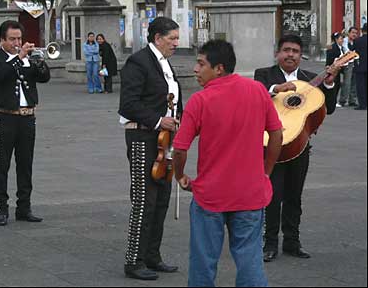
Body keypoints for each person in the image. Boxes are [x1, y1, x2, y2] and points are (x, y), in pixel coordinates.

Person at [172, 39, 283, 287]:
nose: (195, 69)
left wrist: (180, 175)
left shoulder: (200, 101)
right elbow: (277, 134)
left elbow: (179, 148)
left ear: (219, 68)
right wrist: (266, 171)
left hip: (210, 195)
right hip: (250, 193)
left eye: (201, 64)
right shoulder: (257, 90)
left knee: (203, 261)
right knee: (250, 259)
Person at [254, 34, 341, 262]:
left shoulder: (310, 79)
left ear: (301, 56)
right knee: (271, 196)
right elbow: (254, 98)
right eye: (286, 50)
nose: (290, 54)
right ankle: (269, 243)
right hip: (270, 147)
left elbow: (328, 108)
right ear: (277, 54)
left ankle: (292, 241)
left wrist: (330, 82)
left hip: (299, 146)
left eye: (294, 51)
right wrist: (277, 88)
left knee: (294, 196)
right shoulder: (264, 75)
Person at [119, 17, 182, 281]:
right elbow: (128, 104)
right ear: (157, 38)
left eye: (177, 39)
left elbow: (174, 100)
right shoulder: (139, 62)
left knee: (162, 199)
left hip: (165, 141)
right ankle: (134, 259)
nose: (177, 44)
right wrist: (159, 120)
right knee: (145, 200)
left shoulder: (165, 63)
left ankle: (152, 255)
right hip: (143, 138)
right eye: (172, 39)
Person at [0, 20, 50, 226]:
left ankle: (24, 207)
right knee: (2, 165)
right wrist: (18, 58)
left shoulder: (28, 59)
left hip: (28, 117)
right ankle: (2, 209)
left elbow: (45, 78)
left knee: (25, 164)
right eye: (12, 39)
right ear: (2, 39)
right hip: (5, 117)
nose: (17, 42)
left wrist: (37, 61)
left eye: (19, 38)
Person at [340, 27, 359, 107]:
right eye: (353, 32)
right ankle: (343, 100)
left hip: (355, 63)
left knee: (354, 82)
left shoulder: (356, 42)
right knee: (347, 82)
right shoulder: (345, 41)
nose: (354, 34)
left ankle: (352, 100)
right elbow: (346, 51)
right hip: (347, 63)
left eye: (356, 33)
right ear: (349, 33)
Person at [326, 32, 345, 108]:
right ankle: (332, 101)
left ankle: (334, 100)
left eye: (342, 38)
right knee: (334, 84)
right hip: (333, 69)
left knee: (337, 84)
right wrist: (328, 66)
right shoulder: (332, 47)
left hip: (338, 69)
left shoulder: (341, 47)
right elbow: (329, 58)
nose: (342, 40)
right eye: (341, 38)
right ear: (336, 39)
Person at [353, 23, 367, 110]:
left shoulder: (357, 41)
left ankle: (362, 104)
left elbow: (353, 51)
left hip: (360, 66)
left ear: (362, 31)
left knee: (360, 86)